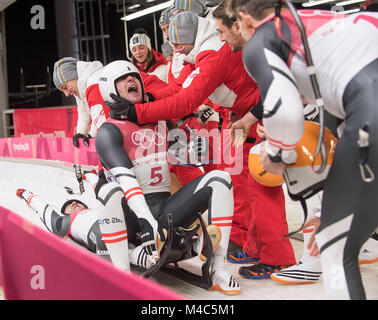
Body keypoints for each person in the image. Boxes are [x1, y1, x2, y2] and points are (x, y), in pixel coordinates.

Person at [229, 0, 378, 299]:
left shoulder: (265, 37)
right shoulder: (330, 22)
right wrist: (331, 206)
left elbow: (285, 113)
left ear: (245, 19)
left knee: (336, 252)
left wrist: (276, 155)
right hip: (364, 110)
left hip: (368, 111)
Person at [95, 60, 240, 295]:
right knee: (108, 191)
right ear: (109, 89)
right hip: (131, 219)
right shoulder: (108, 131)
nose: (133, 80)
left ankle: (218, 268)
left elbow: (183, 157)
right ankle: (122, 273)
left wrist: (197, 150)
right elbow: (128, 182)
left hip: (163, 210)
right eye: (124, 78)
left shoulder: (163, 121)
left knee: (220, 179)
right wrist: (146, 224)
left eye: (135, 76)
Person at [211, 0, 296, 279]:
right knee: (256, 190)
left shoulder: (258, 46)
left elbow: (276, 87)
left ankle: (278, 256)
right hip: (261, 121)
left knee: (265, 190)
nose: (221, 38)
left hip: (276, 120)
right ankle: (257, 246)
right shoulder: (252, 45)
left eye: (222, 32)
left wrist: (256, 117)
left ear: (239, 24)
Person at [15, 175, 155, 272]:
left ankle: (155, 232)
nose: (74, 203)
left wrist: (89, 177)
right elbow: (42, 209)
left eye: (77, 202)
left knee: (115, 197)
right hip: (100, 238)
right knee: (103, 234)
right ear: (65, 213)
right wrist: (26, 195)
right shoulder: (64, 223)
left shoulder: (96, 209)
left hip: (122, 223)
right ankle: (134, 255)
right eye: (70, 206)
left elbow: (101, 191)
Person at [53, 57, 108, 148]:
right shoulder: (80, 86)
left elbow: (99, 113)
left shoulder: (93, 81)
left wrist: (92, 134)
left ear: (75, 76)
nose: (66, 94)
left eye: (65, 87)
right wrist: (81, 133)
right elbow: (83, 111)